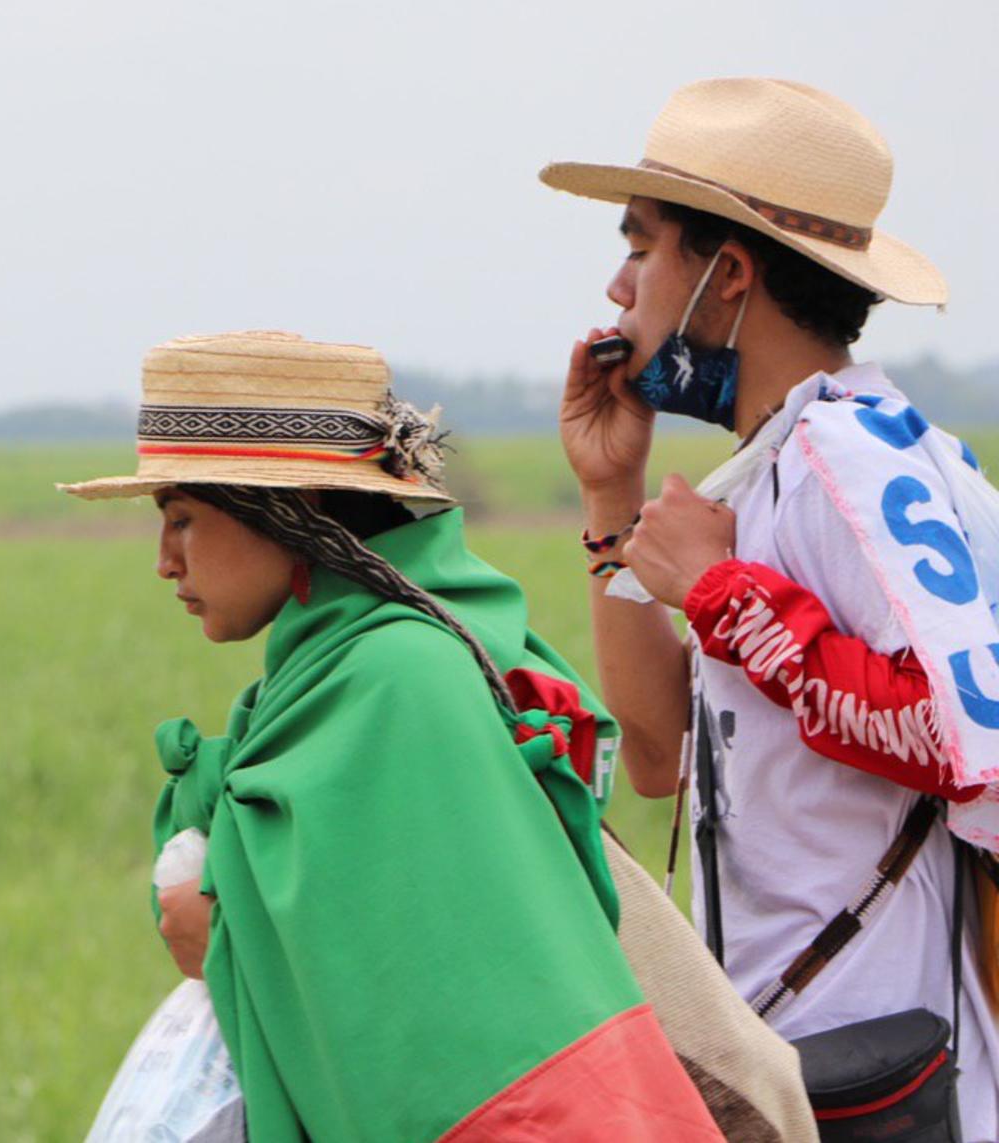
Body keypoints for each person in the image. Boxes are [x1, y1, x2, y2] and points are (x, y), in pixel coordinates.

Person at [61, 330, 720, 1141]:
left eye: (184, 517)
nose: (165, 561)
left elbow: (423, 988)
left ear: (293, 509)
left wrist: (224, 930)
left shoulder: (398, 674)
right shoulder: (348, 663)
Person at [543, 77, 999, 1137]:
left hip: (886, 1075)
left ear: (728, 275)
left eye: (641, 247)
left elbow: (963, 736)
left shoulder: (848, 457)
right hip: (804, 1061)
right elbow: (656, 756)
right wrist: (610, 498)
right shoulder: (795, 461)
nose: (617, 288)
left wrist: (720, 594)